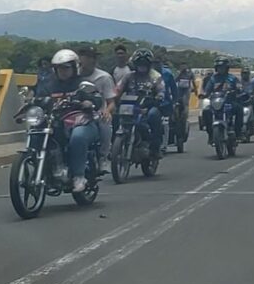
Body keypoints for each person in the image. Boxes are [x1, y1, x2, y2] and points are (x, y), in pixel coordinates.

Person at [35, 49, 102, 193]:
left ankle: (79, 176)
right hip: (56, 122)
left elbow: (97, 98)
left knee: (78, 137)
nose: (63, 71)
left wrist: (89, 103)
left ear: (74, 68)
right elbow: (38, 99)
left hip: (82, 122)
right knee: (37, 132)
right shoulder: (48, 85)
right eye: (59, 68)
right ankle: (47, 172)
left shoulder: (83, 83)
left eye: (66, 68)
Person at [114, 48, 165, 159]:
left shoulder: (155, 76)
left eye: (145, 64)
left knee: (153, 115)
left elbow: (161, 89)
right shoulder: (128, 76)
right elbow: (118, 89)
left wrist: (159, 97)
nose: (142, 66)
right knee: (115, 117)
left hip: (148, 106)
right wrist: (113, 98)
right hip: (130, 106)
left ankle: (155, 148)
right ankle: (113, 147)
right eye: (139, 63)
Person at [78, 46, 116, 174]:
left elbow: (111, 101)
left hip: (96, 112)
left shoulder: (104, 77)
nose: (88, 60)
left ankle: (103, 157)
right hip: (75, 111)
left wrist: (107, 111)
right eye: (85, 56)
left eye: (91, 57)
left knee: (105, 122)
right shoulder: (73, 75)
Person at [202, 57, 243, 142]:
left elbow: (239, 86)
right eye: (219, 67)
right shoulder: (213, 79)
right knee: (206, 111)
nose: (221, 69)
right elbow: (207, 89)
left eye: (223, 67)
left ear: (227, 68)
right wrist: (204, 94)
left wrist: (238, 90)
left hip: (229, 102)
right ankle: (210, 134)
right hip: (216, 103)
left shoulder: (232, 78)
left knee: (239, 109)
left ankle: (238, 133)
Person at [154, 58, 178, 152]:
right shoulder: (150, 73)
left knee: (165, 123)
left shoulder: (167, 73)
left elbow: (173, 88)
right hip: (152, 102)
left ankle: (164, 145)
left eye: (157, 63)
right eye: (154, 63)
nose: (155, 65)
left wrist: (175, 101)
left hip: (165, 103)